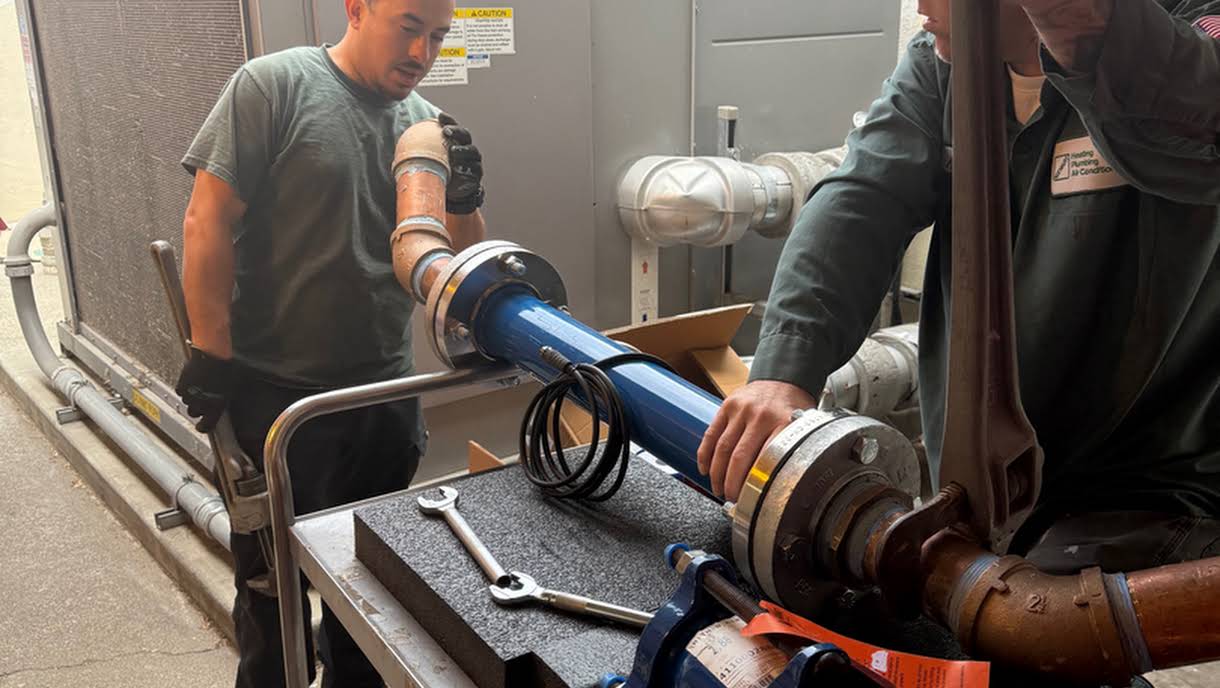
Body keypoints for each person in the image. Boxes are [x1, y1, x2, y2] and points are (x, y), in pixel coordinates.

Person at [700, 0, 1220, 575]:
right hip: (984, 485)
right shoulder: (942, 63)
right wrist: (783, 374)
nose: (920, 5)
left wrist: (1085, 31)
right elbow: (864, 199)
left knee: (1033, 621)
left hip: (1153, 493)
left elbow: (1189, 117)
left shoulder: (1184, 34)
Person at [174, 0, 485, 684]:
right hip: (278, 404)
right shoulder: (274, 87)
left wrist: (464, 201)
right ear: (356, 9)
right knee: (271, 595)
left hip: (382, 401)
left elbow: (455, 273)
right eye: (409, 27)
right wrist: (211, 353)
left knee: (368, 597)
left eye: (437, 36)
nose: (422, 53)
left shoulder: (425, 129)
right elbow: (207, 220)